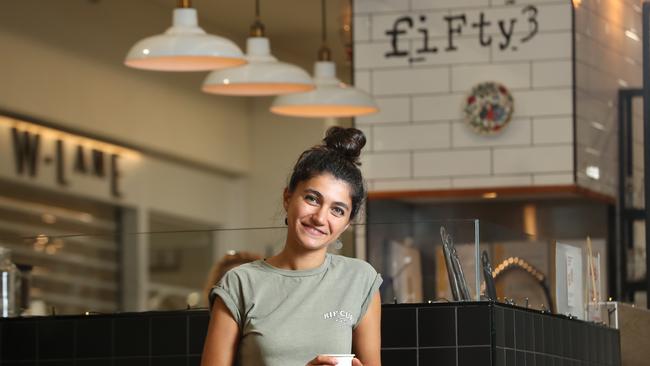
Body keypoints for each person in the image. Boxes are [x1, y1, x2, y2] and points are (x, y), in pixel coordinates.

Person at [201, 127, 382, 366]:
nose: (320, 217)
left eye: (337, 210)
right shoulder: (239, 284)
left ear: (347, 223)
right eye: (312, 199)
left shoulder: (359, 280)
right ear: (288, 198)